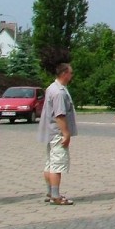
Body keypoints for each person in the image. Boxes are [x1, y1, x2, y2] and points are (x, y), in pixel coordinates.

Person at [38, 62, 78, 206]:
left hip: (50, 132)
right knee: (57, 164)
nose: (72, 75)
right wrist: (66, 134)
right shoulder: (59, 92)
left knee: (49, 163)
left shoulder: (52, 88)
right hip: (57, 133)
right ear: (64, 74)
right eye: (70, 73)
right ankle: (56, 196)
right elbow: (60, 115)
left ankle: (50, 192)